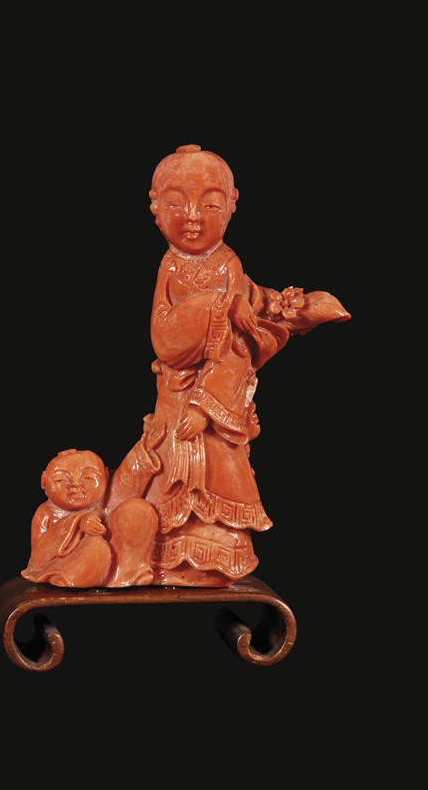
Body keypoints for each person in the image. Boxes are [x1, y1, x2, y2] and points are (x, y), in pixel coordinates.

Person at [144, 144, 351, 586]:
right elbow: (163, 335)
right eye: (176, 204)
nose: (192, 217)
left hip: (211, 398)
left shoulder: (227, 264)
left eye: (210, 204)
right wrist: (220, 308)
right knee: (166, 472)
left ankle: (214, 558)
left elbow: (239, 330)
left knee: (217, 471)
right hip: (175, 393)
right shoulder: (170, 265)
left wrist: (206, 405)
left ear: (232, 205)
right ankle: (163, 555)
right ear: (155, 209)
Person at [21, 418, 165, 588]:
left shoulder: (106, 498)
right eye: (61, 480)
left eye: (88, 478)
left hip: (115, 555)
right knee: (96, 549)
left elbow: (128, 480)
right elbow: (39, 556)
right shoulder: (46, 513)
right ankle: (70, 577)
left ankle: (128, 573)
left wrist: (147, 447)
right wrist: (78, 523)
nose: (76, 485)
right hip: (73, 561)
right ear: (44, 482)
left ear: (105, 475)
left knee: (138, 510)